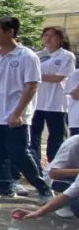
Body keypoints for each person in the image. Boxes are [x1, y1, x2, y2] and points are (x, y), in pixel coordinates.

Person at [0, 16, 52, 201]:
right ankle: (3, 187)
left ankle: (43, 188)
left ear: (10, 32)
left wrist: (17, 113)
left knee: (20, 153)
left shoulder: (27, 56)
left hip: (16, 116)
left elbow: (31, 86)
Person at [30, 26, 75, 168]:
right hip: (37, 102)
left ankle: (55, 167)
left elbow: (59, 77)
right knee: (33, 136)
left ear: (60, 39)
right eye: (46, 35)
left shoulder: (66, 56)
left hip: (57, 103)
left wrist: (35, 77)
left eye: (52, 36)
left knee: (56, 138)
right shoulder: (36, 56)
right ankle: (34, 167)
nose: (48, 38)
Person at [18, 133, 79, 220]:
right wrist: (39, 212)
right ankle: (65, 205)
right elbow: (69, 193)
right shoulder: (74, 143)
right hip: (61, 179)